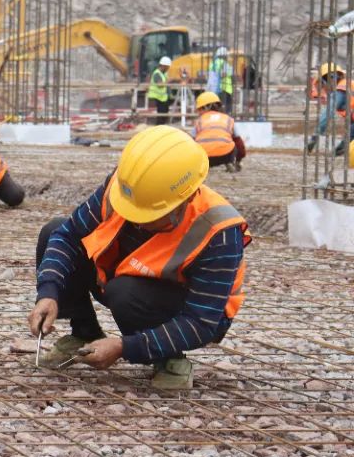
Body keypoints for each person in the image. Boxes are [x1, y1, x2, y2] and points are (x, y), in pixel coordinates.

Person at [29, 125, 250, 390]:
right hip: (123, 280)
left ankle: (168, 359)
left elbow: (201, 322)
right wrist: (49, 292)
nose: (135, 219)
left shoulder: (219, 231)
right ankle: (84, 333)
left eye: (148, 215)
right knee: (53, 230)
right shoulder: (126, 189)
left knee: (125, 291)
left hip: (190, 312)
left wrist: (125, 347)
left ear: (185, 198)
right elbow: (66, 236)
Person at [193, 91, 246, 171]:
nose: (198, 112)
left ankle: (203, 167)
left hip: (206, 158)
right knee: (233, 142)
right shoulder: (228, 119)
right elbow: (240, 144)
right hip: (226, 156)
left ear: (207, 107)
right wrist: (239, 159)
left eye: (200, 109)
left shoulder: (199, 121)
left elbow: (190, 141)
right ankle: (230, 163)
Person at [307, 62, 348, 153]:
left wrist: (315, 135)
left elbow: (328, 113)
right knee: (342, 149)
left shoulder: (340, 90)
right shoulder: (347, 85)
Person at [207, 47, 235, 112]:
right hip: (224, 88)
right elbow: (223, 74)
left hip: (213, 89)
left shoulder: (212, 63)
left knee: (216, 106)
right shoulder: (223, 63)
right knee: (226, 108)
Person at [146, 56, 172, 123]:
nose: (168, 68)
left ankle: (162, 127)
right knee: (160, 116)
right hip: (157, 98)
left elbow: (166, 81)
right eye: (167, 66)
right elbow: (160, 85)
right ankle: (159, 128)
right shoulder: (157, 73)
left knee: (164, 115)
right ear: (163, 66)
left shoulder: (163, 73)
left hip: (162, 98)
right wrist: (168, 81)